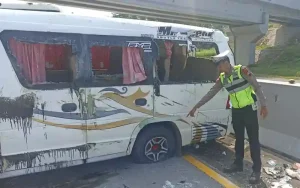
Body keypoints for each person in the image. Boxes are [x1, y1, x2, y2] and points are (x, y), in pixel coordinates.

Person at [187, 50, 268, 184]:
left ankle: (256, 170)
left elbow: (257, 86)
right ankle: (238, 164)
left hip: (249, 110)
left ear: (226, 63)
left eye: (219, 65)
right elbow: (211, 93)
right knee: (239, 138)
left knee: (253, 140)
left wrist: (264, 105)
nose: (218, 68)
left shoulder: (242, 71)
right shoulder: (223, 78)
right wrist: (196, 106)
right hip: (236, 111)